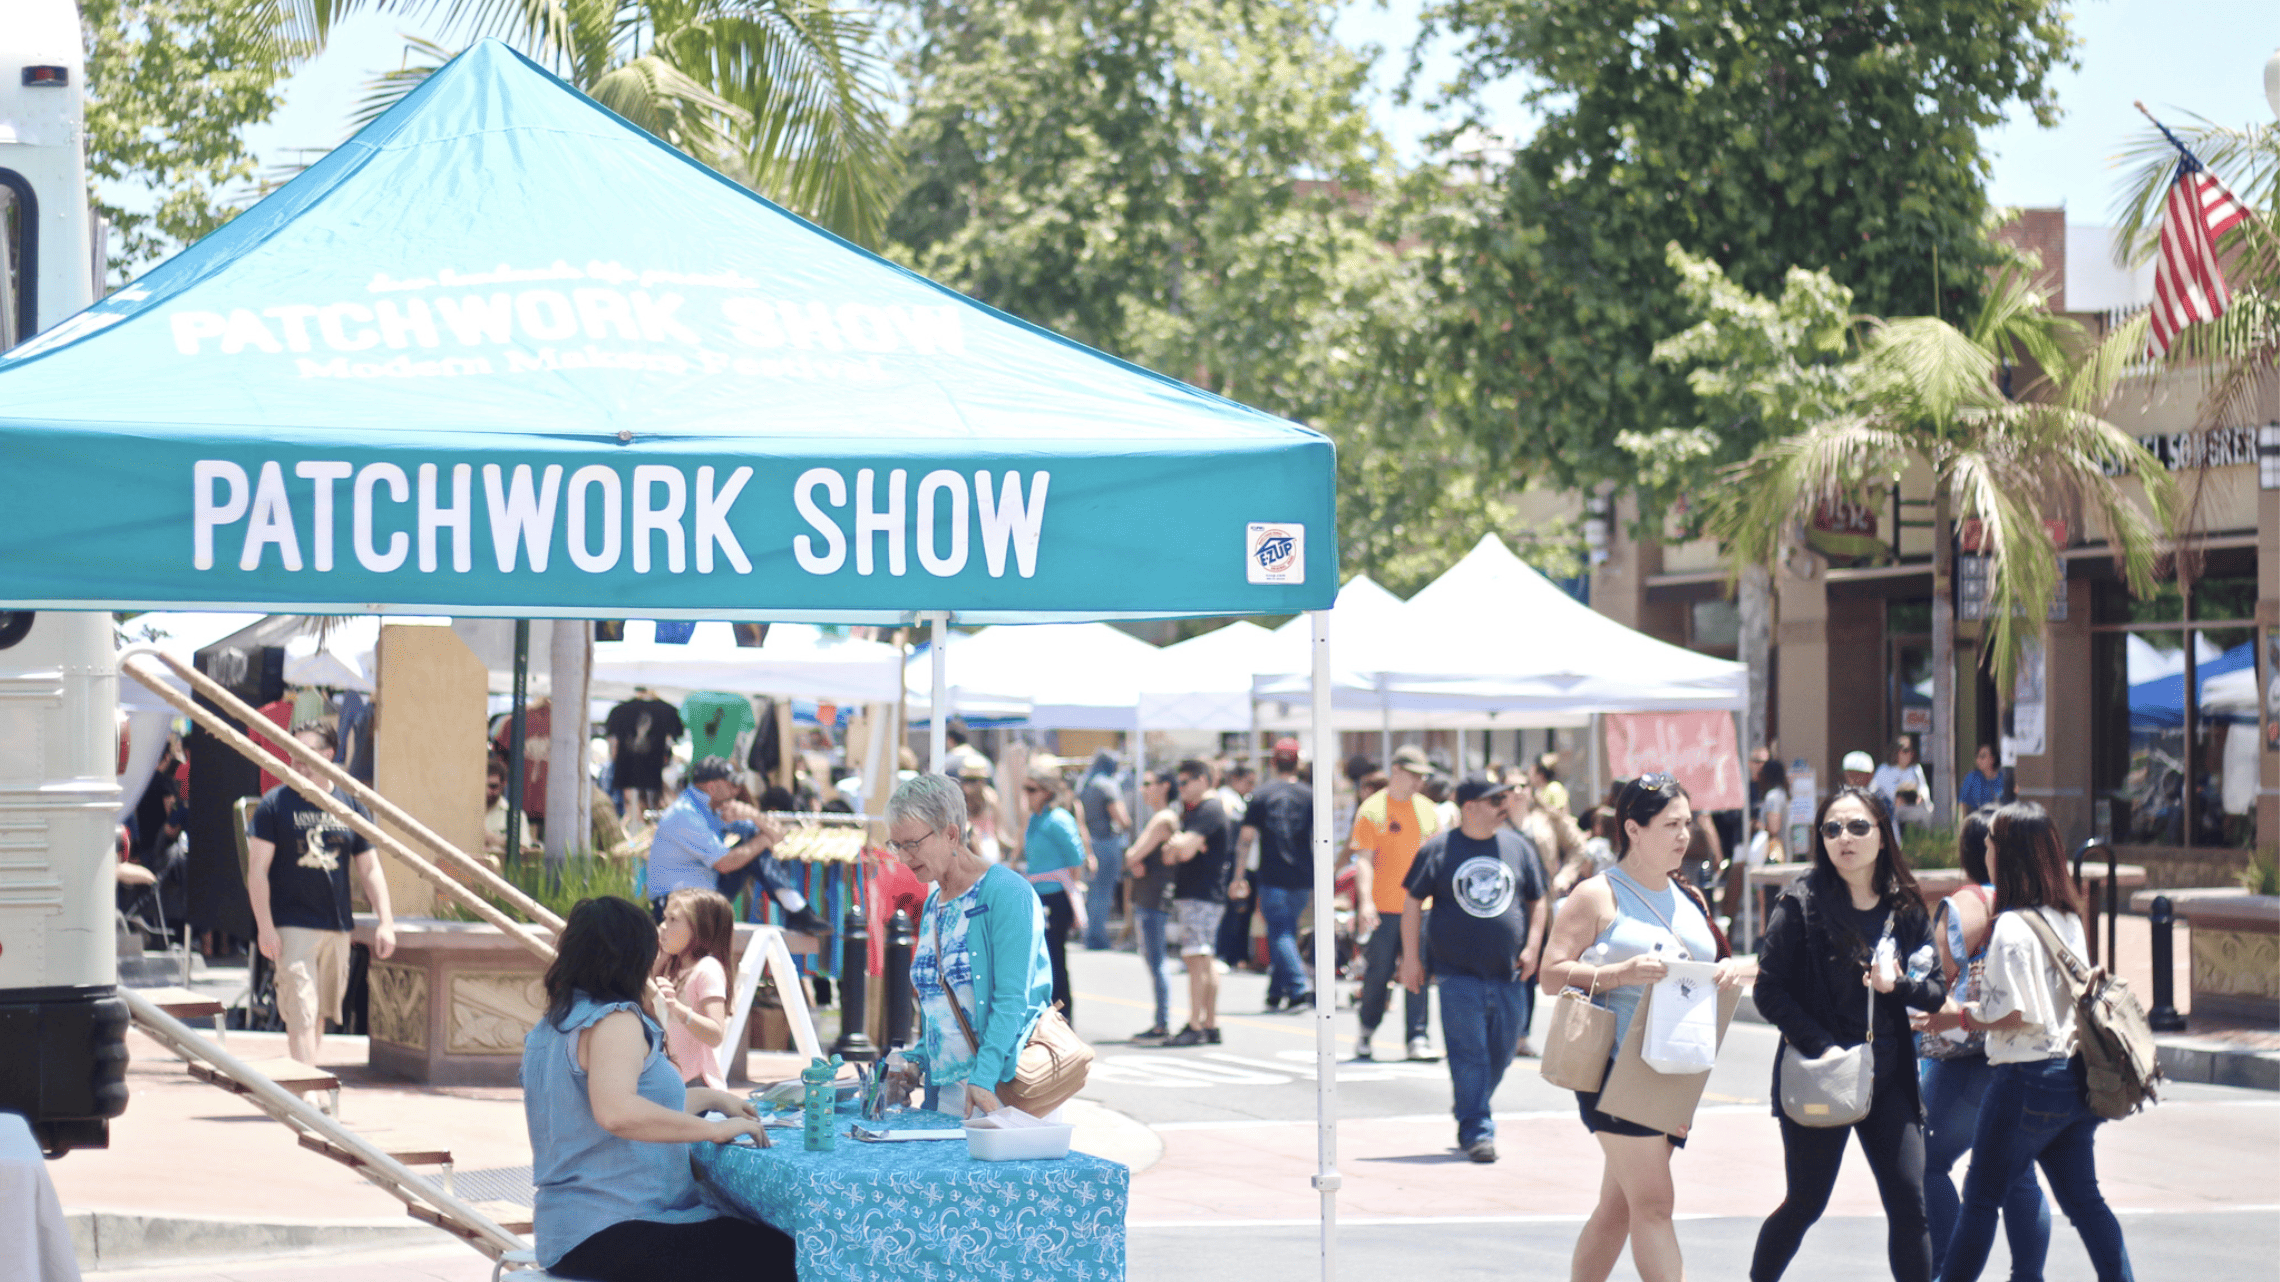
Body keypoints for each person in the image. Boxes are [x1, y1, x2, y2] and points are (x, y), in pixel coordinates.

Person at [1538, 774, 1750, 1282]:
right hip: (1615, 1067)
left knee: (1619, 1208)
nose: (1685, 835)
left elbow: (1712, 962)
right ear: (1633, 829)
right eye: (1671, 825)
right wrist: (1619, 974)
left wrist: (1726, 971)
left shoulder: (1691, 897)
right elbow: (1550, 974)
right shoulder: (1597, 895)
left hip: (1674, 1065)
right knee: (1654, 1204)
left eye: (1687, 823)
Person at [521, 896, 793, 1282]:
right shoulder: (614, 1019)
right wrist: (712, 1129)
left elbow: (641, 1104)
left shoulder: (552, 1026)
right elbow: (617, 1112)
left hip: (569, 1233)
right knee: (788, 1255)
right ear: (632, 957)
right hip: (613, 1226)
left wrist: (715, 1099)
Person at [1921, 803, 2134, 1282]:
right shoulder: (2066, 918)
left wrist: (1956, 1017)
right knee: (2085, 1203)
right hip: (2073, 1076)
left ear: (2008, 854)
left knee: (1980, 1201)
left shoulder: (2012, 926)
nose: (1986, 851)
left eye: (1992, 843)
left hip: (2025, 1077)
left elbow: (2015, 1012)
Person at [1749, 785, 1946, 1282]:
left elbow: (1935, 993)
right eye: (1832, 829)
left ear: (1882, 834)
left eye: (1858, 826)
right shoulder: (1800, 903)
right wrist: (1825, 1047)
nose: (1845, 838)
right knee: (1806, 1202)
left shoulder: (1904, 907)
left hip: (1889, 1078)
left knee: (1910, 1202)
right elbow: (1769, 990)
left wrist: (1896, 984)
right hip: (1822, 1073)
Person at [1911, 808, 2050, 1281]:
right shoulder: (2041, 906)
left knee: (1927, 1161)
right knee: (2018, 1173)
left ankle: (1947, 1272)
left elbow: (1935, 980)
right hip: (2023, 1055)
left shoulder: (1969, 902)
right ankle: (2028, 1275)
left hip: (1968, 1054)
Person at [1399, 773, 1548, 1163]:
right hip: (1456, 973)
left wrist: (1534, 946)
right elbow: (1412, 902)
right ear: (1469, 807)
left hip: (1510, 972)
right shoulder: (1439, 849)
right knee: (1470, 1054)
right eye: (1494, 801)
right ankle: (1477, 1129)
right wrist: (1411, 958)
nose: (1503, 807)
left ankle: (1470, 1102)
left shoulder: (1519, 847)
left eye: (1504, 799)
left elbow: (1538, 899)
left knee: (1503, 1051)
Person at [886, 774, 1054, 1117]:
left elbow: (1012, 1000)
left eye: (912, 844)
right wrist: (916, 1061)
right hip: (948, 1097)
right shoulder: (934, 904)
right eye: (896, 845)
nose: (903, 857)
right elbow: (943, 1009)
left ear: (951, 834)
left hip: (1002, 1091)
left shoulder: (1007, 893)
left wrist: (984, 1077)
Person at [245, 723, 396, 1068]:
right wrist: (265, 927)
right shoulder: (274, 805)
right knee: (300, 1009)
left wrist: (386, 922)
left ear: (328, 756)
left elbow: (370, 869)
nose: (298, 761)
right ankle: (308, 1091)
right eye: (293, 753)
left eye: (307, 754)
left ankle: (305, 1079)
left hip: (336, 924)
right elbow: (257, 871)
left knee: (319, 1012)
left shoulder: (350, 805)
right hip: (291, 924)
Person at [646, 758, 829, 937]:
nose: (737, 790)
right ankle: (796, 909)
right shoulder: (685, 814)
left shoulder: (711, 808)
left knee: (754, 844)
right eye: (731, 784)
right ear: (712, 787)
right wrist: (762, 840)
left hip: (700, 899)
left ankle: (795, 908)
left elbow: (777, 835)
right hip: (673, 906)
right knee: (754, 846)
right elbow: (723, 864)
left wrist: (754, 816)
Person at [1349, 744, 1443, 1062]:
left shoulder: (1428, 810)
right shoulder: (1373, 809)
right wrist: (1365, 903)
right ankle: (1367, 1028)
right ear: (1397, 771)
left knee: (1417, 971)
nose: (1419, 782)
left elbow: (1438, 859)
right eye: (1414, 775)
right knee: (1379, 973)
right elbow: (1363, 860)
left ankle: (1417, 1037)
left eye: (1423, 777)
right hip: (1384, 907)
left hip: (1421, 907)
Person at [1502, 767, 1581, 1055]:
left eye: (1523, 785)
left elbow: (1578, 847)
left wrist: (1564, 877)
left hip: (1539, 902)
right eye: (1511, 787)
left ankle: (1521, 1036)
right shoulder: (1495, 820)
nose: (1518, 792)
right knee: (1504, 966)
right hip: (1504, 902)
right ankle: (1503, 1032)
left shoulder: (1545, 819)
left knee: (1529, 967)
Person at [1237, 740, 1316, 1012]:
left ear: (1272, 762)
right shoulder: (1310, 795)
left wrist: (1238, 876)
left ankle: (1297, 987)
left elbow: (1246, 839)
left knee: (1280, 931)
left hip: (1272, 874)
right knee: (1286, 931)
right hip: (1303, 874)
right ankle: (1275, 991)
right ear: (1298, 763)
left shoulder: (1260, 795)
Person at [1162, 759, 1236, 1047]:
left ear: (1203, 780)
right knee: (1204, 958)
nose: (1180, 788)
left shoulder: (1208, 809)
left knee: (1196, 959)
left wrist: (1181, 844)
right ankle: (1209, 1023)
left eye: (1185, 782)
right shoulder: (1200, 810)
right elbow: (1177, 852)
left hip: (1200, 893)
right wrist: (1181, 846)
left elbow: (1182, 851)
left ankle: (1196, 1023)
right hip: (1204, 893)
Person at [1016, 766, 1090, 1025]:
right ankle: (1044, 1014)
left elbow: (1076, 858)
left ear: (1047, 792)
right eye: (1025, 789)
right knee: (1038, 958)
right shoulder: (1036, 819)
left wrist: (1068, 886)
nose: (1026, 795)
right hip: (1038, 894)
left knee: (1055, 958)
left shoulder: (1058, 819)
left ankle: (1062, 1017)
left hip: (1055, 895)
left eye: (1031, 789)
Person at [650, 888, 736, 1090]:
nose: (662, 927)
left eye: (673, 919)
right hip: (671, 1081)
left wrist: (677, 1008)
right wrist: (659, 961)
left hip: (696, 1084)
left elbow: (715, 1034)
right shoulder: (671, 966)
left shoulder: (707, 969)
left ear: (700, 928)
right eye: (665, 918)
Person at [1121, 769, 1184, 1043]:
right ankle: (1161, 1020)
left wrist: (1133, 859)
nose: (1143, 789)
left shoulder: (1163, 818)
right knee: (1154, 959)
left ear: (1164, 786)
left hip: (1153, 896)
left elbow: (1133, 854)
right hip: (1150, 895)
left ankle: (1161, 1022)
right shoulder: (1161, 817)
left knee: (1156, 960)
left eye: (1148, 784)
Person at [1077, 750, 1131, 950]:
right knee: (1103, 891)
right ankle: (1097, 937)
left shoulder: (1084, 783)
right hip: (1105, 842)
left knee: (1093, 891)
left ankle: (1090, 935)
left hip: (1088, 842)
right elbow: (1122, 818)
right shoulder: (1107, 785)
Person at [605, 688, 685, 818]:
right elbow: (675, 736)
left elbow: (612, 742)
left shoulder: (620, 711)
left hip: (634, 774)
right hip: (645, 774)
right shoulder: (667, 711)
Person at [1214, 761, 1261, 969]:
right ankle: (1226, 953)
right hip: (1233, 864)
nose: (1251, 787)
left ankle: (1238, 954)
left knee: (1242, 910)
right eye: (1248, 782)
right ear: (1235, 779)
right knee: (1233, 910)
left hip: (1246, 863)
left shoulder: (1243, 799)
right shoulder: (1226, 797)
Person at [1873, 736, 1934, 827]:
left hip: (1910, 808)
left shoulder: (1916, 769)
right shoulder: (1884, 769)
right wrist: (1895, 798)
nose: (1909, 754)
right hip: (1891, 810)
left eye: (1910, 751)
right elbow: (1874, 791)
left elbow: (1923, 788)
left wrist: (1920, 797)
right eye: (1905, 751)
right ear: (1896, 752)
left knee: (1927, 813)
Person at [1956, 744, 2006, 812]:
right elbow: (1962, 804)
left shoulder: (2003, 778)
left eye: (1982, 757)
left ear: (1992, 759)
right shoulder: (1971, 778)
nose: (1978, 760)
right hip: (1977, 817)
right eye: (1977, 757)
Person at [1530, 753, 1570, 819]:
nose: (1530, 777)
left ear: (1540, 775)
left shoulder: (1555, 788)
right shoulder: (1536, 791)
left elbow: (1562, 814)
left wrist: (1541, 804)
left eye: (1532, 774)